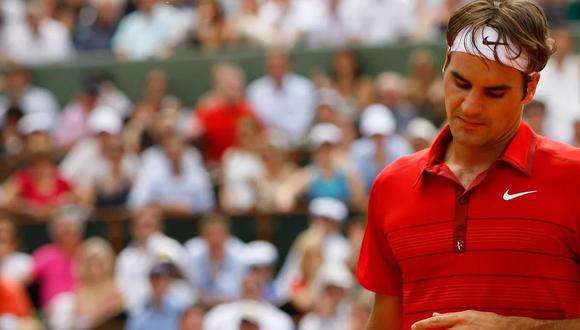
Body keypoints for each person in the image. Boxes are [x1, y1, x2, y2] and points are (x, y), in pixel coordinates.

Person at [356, 1, 580, 329]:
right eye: (461, 83)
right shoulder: (392, 184)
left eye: (494, 93)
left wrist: (511, 328)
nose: (471, 107)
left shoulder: (573, 176)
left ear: (529, 88)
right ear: (445, 66)